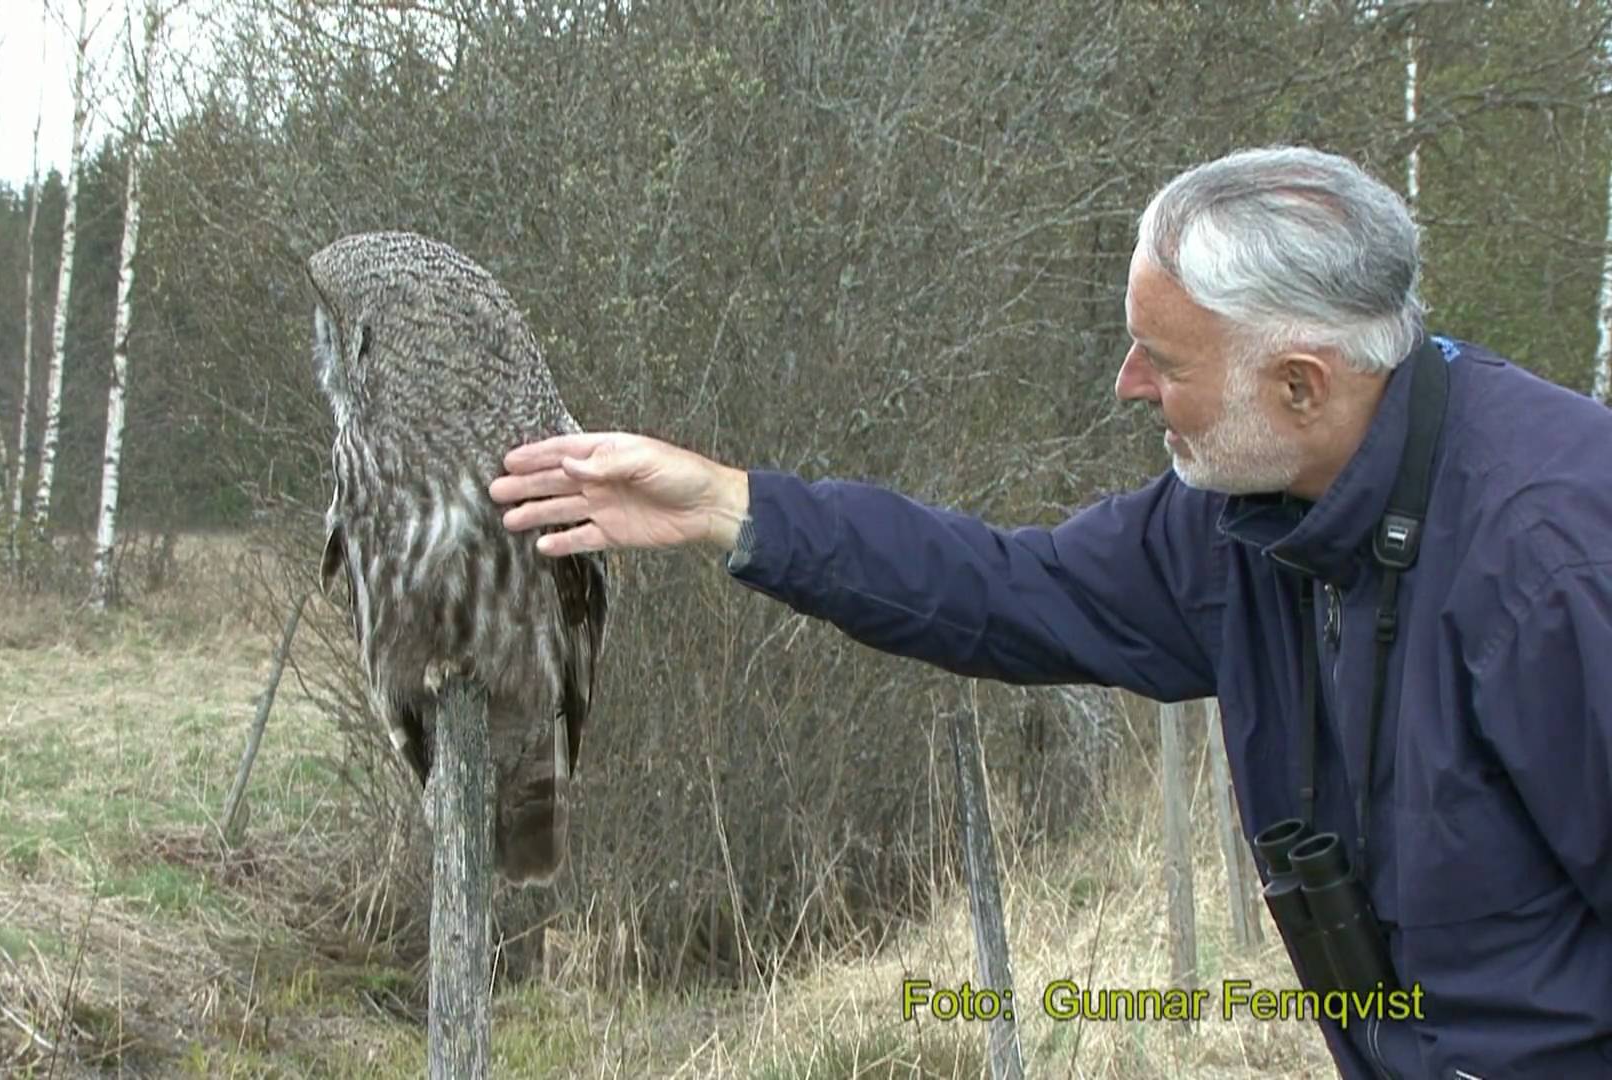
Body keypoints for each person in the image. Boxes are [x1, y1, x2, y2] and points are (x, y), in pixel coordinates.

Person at [488, 145, 1612, 1079]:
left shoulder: (1553, 562)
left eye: (1163, 360)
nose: (1128, 384)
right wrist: (734, 509)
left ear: (1301, 384)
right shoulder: (1249, 512)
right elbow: (1009, 589)